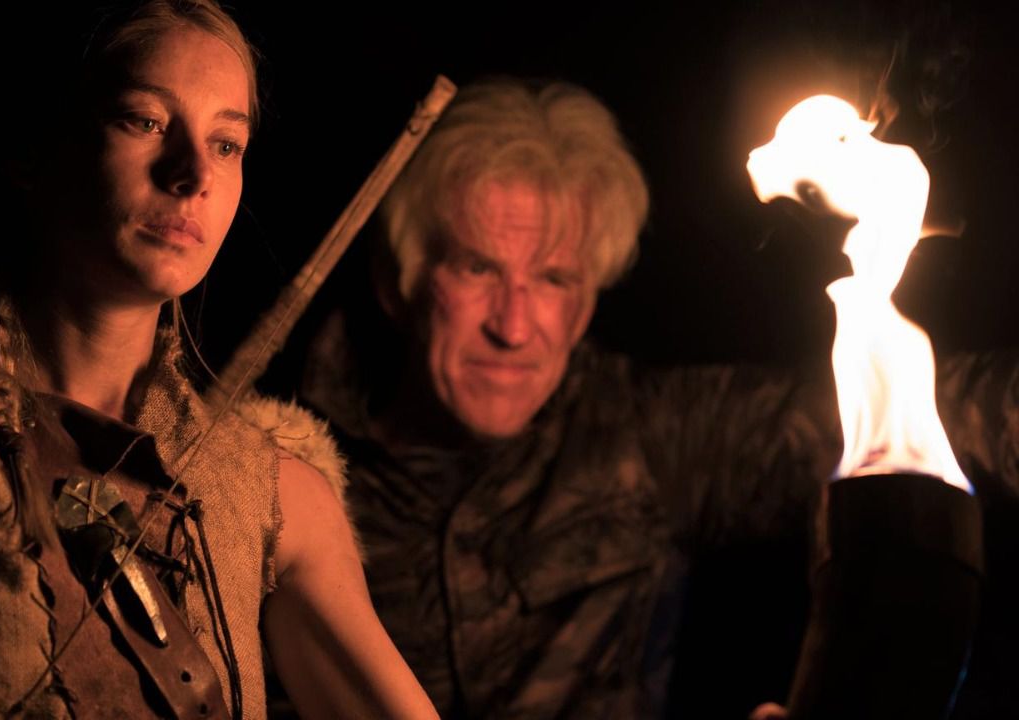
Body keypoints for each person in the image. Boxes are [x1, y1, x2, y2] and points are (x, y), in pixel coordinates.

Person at [0, 2, 437, 718]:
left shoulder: (269, 495)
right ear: (33, 146)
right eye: (145, 121)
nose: (193, 173)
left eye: (227, 144)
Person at [287, 78, 1017, 718]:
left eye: (554, 279)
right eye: (478, 269)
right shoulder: (278, 468)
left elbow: (936, 409)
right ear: (401, 281)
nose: (514, 327)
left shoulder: (641, 435)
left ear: (587, 303)